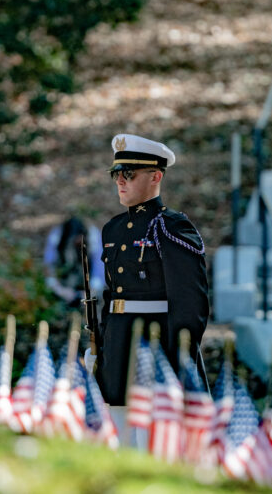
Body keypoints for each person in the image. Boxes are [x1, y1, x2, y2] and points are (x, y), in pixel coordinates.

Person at [87, 134, 209, 405]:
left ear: (156, 176)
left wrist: (179, 359)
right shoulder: (113, 229)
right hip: (118, 348)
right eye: (116, 173)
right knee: (119, 433)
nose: (120, 180)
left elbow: (190, 304)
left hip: (157, 350)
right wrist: (104, 348)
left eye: (128, 173)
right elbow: (112, 296)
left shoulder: (171, 226)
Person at [43, 216, 105, 306]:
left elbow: (99, 270)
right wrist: (60, 290)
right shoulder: (56, 237)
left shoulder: (94, 237)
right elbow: (48, 267)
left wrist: (91, 291)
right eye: (75, 242)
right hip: (65, 275)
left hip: (87, 277)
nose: (77, 244)